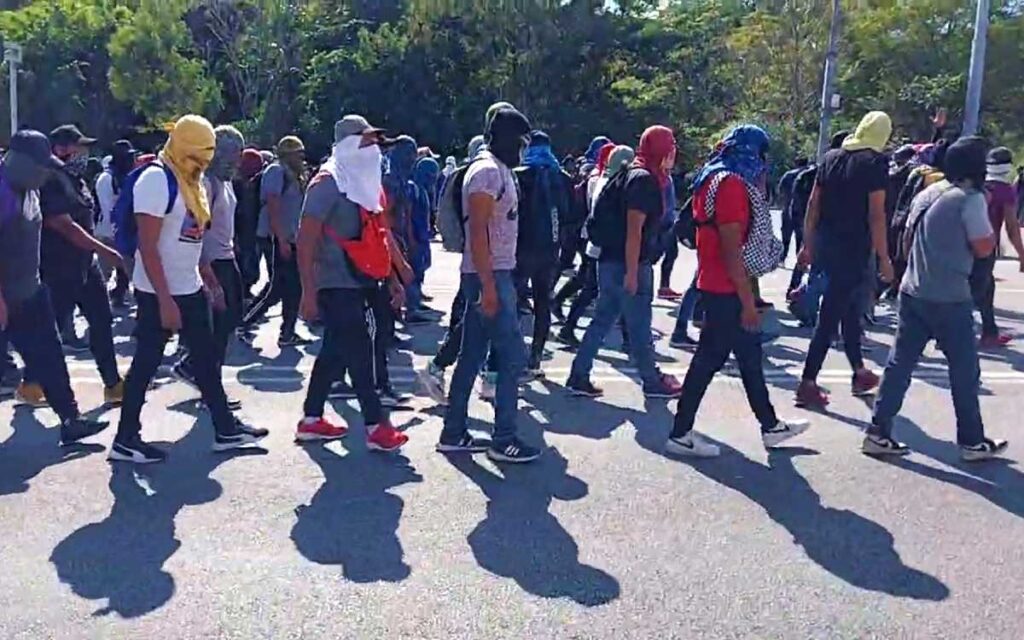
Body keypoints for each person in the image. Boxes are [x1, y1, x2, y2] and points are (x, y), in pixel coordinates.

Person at [111, 115, 268, 464]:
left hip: (191, 286)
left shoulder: (192, 180)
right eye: (200, 152)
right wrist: (166, 302)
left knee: (207, 361)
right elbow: (148, 248)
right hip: (158, 291)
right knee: (146, 365)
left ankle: (226, 430)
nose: (205, 160)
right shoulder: (156, 180)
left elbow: (190, 240)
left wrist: (209, 281)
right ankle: (125, 440)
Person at [664, 125, 807, 457]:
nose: (762, 161)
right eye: (760, 153)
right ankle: (681, 433)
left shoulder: (710, 177)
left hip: (715, 284)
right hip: (727, 289)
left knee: (747, 358)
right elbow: (732, 249)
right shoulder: (730, 185)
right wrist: (747, 302)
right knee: (710, 361)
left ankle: (770, 426)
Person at [866, 136, 1008, 461]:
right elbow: (984, 247)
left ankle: (877, 431)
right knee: (964, 371)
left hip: (913, 291)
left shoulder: (930, 191)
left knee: (899, 365)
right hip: (950, 297)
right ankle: (971, 441)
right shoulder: (969, 199)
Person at [295, 114, 409, 452]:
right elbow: (305, 240)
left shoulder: (366, 184)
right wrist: (308, 292)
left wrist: (394, 277)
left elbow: (380, 235)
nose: (374, 149)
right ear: (347, 144)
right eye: (367, 141)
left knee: (335, 351)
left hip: (362, 279)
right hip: (333, 282)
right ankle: (376, 425)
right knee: (359, 348)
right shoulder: (327, 182)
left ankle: (311, 419)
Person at [438, 106, 542, 463]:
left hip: (491, 272)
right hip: (489, 273)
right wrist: (488, 286)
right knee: (512, 358)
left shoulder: (498, 169)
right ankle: (504, 438)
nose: (524, 148)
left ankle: (453, 432)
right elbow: (477, 234)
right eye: (521, 141)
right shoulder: (486, 173)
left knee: (470, 357)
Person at [0, 129, 108, 444]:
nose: (46, 171)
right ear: (19, 162)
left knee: (50, 356)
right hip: (4, 296)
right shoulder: (3, 191)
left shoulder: (32, 190)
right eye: (40, 165)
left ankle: (71, 420)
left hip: (30, 291)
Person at [566, 125, 683, 399]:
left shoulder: (632, 173)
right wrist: (632, 271)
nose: (674, 152)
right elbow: (634, 230)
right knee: (640, 324)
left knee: (603, 319)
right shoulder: (644, 180)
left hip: (609, 260)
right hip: (628, 263)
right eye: (671, 146)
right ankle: (652, 380)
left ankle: (578, 374)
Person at [795, 112, 894, 408]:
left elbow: (814, 203)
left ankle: (858, 371)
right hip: (854, 247)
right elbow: (876, 215)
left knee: (849, 308)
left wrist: (807, 244)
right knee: (831, 315)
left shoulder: (831, 157)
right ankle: (808, 382)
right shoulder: (874, 163)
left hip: (827, 242)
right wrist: (884, 257)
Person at [27, 124, 125, 408]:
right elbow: (63, 225)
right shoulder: (50, 180)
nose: (84, 152)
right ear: (60, 149)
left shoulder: (76, 178)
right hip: (58, 267)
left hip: (84, 264)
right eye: (78, 146)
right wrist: (106, 251)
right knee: (51, 330)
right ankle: (32, 384)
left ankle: (113, 383)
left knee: (102, 320)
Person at [172, 125, 246, 406]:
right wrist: (210, 278)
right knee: (216, 328)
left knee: (228, 323)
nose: (238, 159)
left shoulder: (224, 182)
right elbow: (195, 231)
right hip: (213, 263)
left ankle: (197, 371)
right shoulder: (206, 183)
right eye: (234, 152)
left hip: (227, 258)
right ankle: (207, 385)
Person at [556, 144, 635, 348]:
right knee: (615, 293)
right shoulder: (611, 183)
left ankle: (568, 325)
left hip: (595, 242)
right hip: (606, 246)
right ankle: (629, 338)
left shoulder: (600, 179)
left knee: (591, 288)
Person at [241, 136, 310, 346]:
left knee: (291, 287)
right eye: (298, 153)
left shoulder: (296, 175)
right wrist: (281, 239)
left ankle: (287, 331)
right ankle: (245, 322)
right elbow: (273, 206)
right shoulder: (276, 171)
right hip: (275, 238)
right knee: (277, 288)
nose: (301, 157)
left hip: (290, 238)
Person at [515, 130, 570, 375]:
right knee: (542, 303)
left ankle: (508, 355)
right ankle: (536, 356)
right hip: (550, 249)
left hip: (521, 247)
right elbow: (571, 215)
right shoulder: (563, 177)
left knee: (513, 303)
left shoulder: (519, 175)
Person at [972, 146, 1024, 347]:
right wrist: (1021, 254)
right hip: (986, 247)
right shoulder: (1005, 191)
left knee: (984, 288)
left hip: (965, 244)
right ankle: (951, 335)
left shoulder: (977, 185)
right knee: (978, 290)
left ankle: (989, 330)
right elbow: (1011, 228)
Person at [95, 139, 137, 308]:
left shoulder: (125, 177)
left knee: (126, 270)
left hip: (123, 232)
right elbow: (109, 209)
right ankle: (98, 305)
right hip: (107, 233)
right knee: (103, 274)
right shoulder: (107, 178)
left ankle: (118, 296)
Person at [233, 148, 265, 298]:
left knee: (251, 262)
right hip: (241, 230)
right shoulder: (236, 185)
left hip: (251, 229)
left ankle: (245, 289)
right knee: (243, 262)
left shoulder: (253, 184)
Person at [777, 157, 809, 262]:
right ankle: (799, 260)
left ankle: (783, 257)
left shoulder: (788, 175)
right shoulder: (809, 175)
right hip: (803, 211)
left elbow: (781, 191)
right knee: (800, 237)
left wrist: (783, 203)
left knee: (786, 235)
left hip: (788, 208)